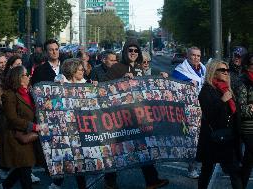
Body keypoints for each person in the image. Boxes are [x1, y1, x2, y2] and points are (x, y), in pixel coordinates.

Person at [104, 38, 169, 189]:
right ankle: (110, 180)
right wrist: (121, 80)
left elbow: (150, 83)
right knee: (117, 149)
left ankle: (152, 180)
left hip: (139, 116)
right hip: (120, 117)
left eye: (136, 50)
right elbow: (105, 89)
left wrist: (162, 77)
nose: (133, 53)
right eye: (130, 50)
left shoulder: (141, 68)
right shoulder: (117, 68)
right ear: (125, 51)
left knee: (144, 146)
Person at [196, 59, 242, 189]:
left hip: (228, 138)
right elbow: (209, 113)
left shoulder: (227, 89)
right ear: (213, 72)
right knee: (207, 171)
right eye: (222, 70)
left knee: (234, 171)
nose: (226, 73)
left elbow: (233, 113)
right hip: (212, 138)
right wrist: (222, 100)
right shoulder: (206, 90)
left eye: (227, 70)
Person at [0, 66, 41, 189]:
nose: (29, 76)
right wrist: (33, 126)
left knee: (24, 167)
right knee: (25, 168)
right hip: (17, 136)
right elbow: (12, 119)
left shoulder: (29, 92)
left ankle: (4, 186)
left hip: (28, 135)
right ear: (20, 78)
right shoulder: (9, 95)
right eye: (26, 75)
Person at [49, 58, 88, 189]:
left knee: (78, 157)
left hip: (79, 126)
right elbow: (54, 104)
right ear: (72, 71)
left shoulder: (84, 83)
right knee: (64, 156)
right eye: (81, 69)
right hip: (63, 127)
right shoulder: (59, 82)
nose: (83, 71)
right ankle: (56, 184)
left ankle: (80, 186)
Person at [172, 46, 206, 178]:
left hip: (203, 107)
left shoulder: (203, 69)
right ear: (187, 56)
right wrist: (186, 82)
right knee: (192, 139)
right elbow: (174, 85)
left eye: (198, 55)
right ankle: (192, 168)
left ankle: (202, 165)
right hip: (188, 110)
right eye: (193, 55)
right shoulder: (180, 70)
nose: (196, 58)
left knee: (203, 139)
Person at [237, 54, 253, 188]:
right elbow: (241, 107)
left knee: (249, 159)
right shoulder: (243, 81)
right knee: (249, 159)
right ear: (247, 65)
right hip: (248, 127)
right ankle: (240, 184)